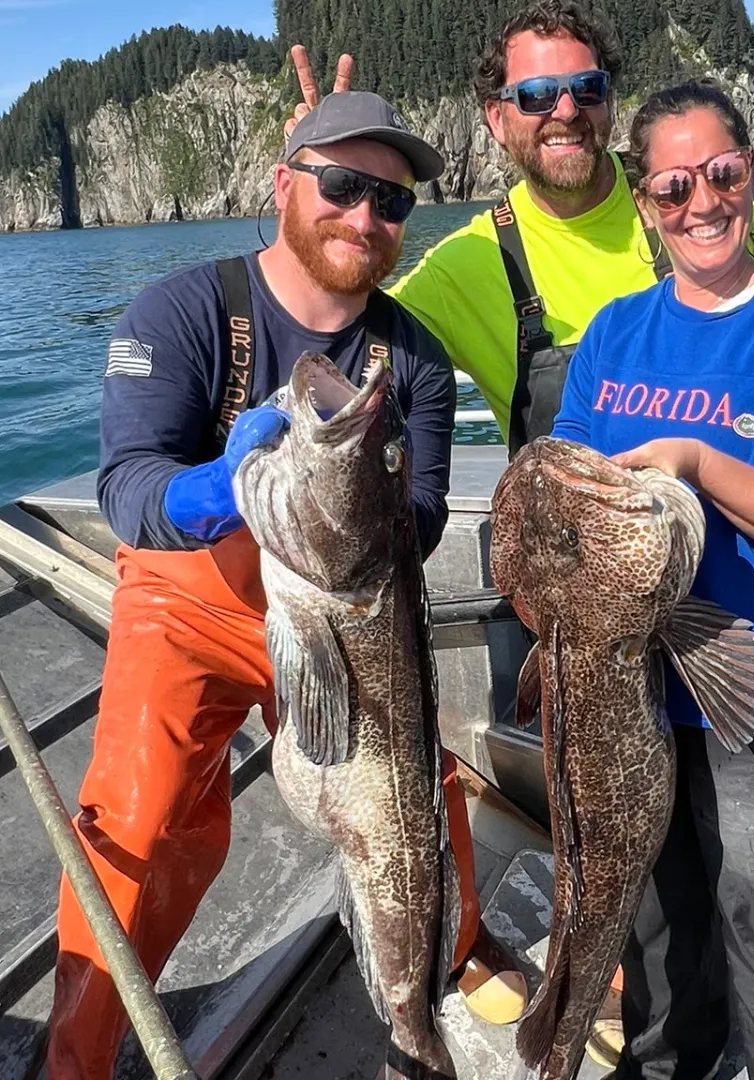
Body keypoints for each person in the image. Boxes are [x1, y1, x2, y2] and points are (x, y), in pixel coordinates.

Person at [283, 1, 754, 1053]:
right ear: (496, 118)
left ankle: (734, 1012)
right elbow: (337, 314)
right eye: (534, 94)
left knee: (744, 842)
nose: (563, 110)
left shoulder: (687, 207)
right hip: (574, 606)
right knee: (619, 850)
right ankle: (647, 1033)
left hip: (717, 579)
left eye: (585, 89)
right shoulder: (472, 263)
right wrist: (319, 182)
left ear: (609, 99)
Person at [38, 91, 462, 1080]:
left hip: (344, 601)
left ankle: (424, 1012)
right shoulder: (180, 311)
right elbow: (126, 486)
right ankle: (74, 1059)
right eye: (344, 187)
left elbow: (426, 520)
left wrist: (335, 489)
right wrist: (218, 492)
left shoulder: (418, 362)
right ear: (284, 186)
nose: (366, 218)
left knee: (422, 807)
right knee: (139, 823)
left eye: (391, 203)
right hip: (190, 602)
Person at [549, 80, 754, 1080]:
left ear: (752, 173)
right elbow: (570, 479)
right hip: (637, 693)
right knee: (658, 923)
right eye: (671, 185)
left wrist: (695, 461)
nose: (701, 203)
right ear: (644, 200)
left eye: (723, 174)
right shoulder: (613, 332)